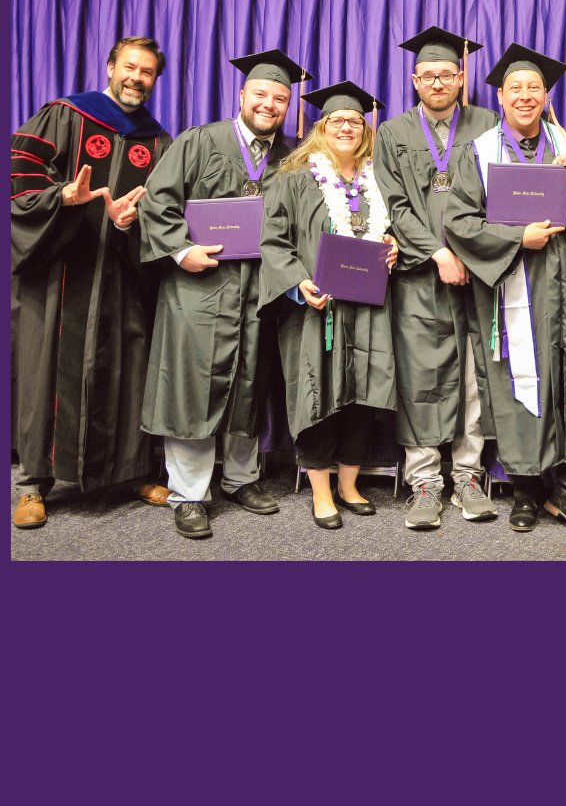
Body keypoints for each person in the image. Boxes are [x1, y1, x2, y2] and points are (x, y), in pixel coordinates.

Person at [139, 48, 307, 539]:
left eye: (280, 97)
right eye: (261, 94)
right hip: (200, 284)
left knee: (249, 382)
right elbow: (157, 204)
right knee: (193, 384)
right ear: (242, 95)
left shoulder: (292, 158)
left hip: (259, 286)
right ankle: (189, 493)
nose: (269, 104)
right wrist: (180, 251)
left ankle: (240, 478)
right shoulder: (200, 141)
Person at [11, 36, 172, 530]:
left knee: (127, 368)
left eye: (146, 72)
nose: (136, 79)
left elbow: (164, 212)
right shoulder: (64, 115)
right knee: (45, 373)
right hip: (61, 272)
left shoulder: (157, 140)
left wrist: (127, 223)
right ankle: (33, 485)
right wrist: (64, 197)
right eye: (129, 67)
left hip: (121, 276)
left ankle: (128, 473)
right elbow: (20, 176)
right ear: (110, 67)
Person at [443, 42, 566, 537]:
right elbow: (459, 222)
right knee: (518, 388)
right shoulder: (478, 152)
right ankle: (528, 491)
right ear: (501, 97)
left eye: (535, 87)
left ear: (546, 95)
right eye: (516, 88)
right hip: (514, 285)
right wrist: (518, 238)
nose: (526, 95)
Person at [374, 26, 499, 530]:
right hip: (420, 276)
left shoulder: (488, 123)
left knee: (474, 374)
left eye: (447, 74)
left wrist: (476, 251)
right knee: (420, 374)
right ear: (414, 80)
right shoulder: (393, 133)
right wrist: (438, 252)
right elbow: (394, 205)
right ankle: (424, 480)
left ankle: (468, 474)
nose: (437, 82)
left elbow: (505, 197)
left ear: (461, 77)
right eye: (428, 75)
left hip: (480, 272)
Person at [259, 81, 398, 528]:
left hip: (369, 307)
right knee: (316, 393)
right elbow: (273, 242)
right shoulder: (295, 179)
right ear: (321, 128)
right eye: (337, 120)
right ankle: (321, 492)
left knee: (361, 395)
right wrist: (299, 282)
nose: (346, 127)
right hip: (315, 308)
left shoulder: (380, 179)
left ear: (365, 129)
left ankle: (349, 485)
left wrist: (392, 246)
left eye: (355, 121)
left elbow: (391, 229)